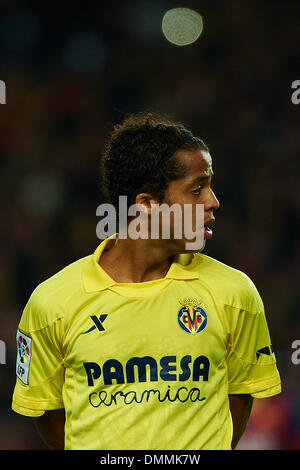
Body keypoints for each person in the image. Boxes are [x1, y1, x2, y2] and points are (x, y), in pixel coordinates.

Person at [11, 112, 281, 450]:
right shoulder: (52, 303)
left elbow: (239, 400)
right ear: (148, 205)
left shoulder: (234, 293)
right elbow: (51, 418)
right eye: (197, 190)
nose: (214, 202)